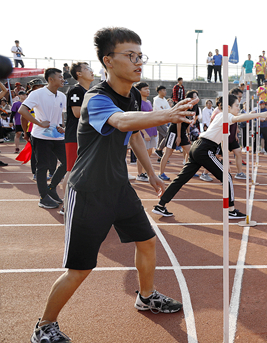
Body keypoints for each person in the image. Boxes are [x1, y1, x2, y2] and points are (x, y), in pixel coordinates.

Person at [30, 27, 196, 343]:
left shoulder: (131, 94)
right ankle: (44, 326)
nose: (138, 62)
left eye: (140, 56)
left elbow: (131, 134)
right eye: (130, 56)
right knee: (80, 269)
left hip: (119, 187)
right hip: (89, 191)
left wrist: (150, 173)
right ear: (108, 60)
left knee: (147, 241)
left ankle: (146, 296)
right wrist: (166, 116)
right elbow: (121, 122)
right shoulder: (96, 98)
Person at [152, 94, 267, 217]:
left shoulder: (223, 118)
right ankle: (231, 211)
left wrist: (225, 161)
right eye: (237, 106)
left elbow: (224, 142)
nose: (238, 108)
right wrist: (258, 115)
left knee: (181, 179)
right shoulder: (225, 116)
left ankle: (160, 205)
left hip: (198, 147)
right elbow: (239, 118)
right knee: (227, 178)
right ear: (228, 107)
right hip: (204, 148)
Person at [18, 69, 67, 209]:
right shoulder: (37, 93)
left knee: (68, 162)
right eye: (60, 77)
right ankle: (43, 197)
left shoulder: (62, 96)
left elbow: (61, 114)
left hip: (57, 136)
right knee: (42, 166)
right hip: (40, 136)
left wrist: (61, 126)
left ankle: (51, 189)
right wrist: (39, 123)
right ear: (51, 79)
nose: (63, 79)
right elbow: (22, 110)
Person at [64, 62, 95, 192]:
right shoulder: (76, 90)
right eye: (87, 69)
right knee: (72, 170)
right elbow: (77, 113)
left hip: (85, 136)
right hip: (75, 136)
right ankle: (66, 204)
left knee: (85, 170)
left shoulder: (89, 91)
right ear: (79, 73)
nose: (91, 71)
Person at [158, 90, 194, 181]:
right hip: (174, 132)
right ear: (189, 98)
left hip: (182, 132)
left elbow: (188, 123)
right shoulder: (183, 106)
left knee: (191, 153)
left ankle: (188, 172)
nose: (197, 98)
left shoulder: (194, 108)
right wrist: (178, 136)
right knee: (168, 152)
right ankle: (161, 173)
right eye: (195, 97)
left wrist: (188, 134)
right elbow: (178, 121)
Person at [134, 82, 158, 181]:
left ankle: (144, 172)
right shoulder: (137, 103)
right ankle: (140, 174)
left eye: (148, 89)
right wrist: (144, 133)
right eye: (145, 89)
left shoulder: (148, 102)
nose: (148, 91)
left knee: (148, 153)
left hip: (152, 131)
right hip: (144, 132)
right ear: (139, 91)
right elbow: (137, 119)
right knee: (141, 154)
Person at [153, 85, 170, 159]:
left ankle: (159, 157)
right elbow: (160, 111)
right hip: (158, 120)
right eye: (164, 90)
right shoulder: (156, 100)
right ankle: (159, 150)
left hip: (164, 120)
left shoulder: (164, 100)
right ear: (159, 91)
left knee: (161, 138)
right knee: (168, 135)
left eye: (165, 90)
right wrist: (165, 111)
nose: (165, 92)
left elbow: (168, 109)